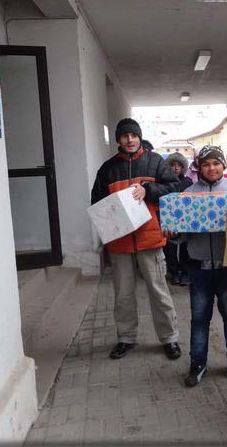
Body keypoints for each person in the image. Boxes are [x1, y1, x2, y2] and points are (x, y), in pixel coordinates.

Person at [90, 118, 182, 361]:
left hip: (150, 239)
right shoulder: (108, 168)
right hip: (119, 242)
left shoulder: (154, 162)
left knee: (159, 291)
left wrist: (148, 190)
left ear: (139, 137)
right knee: (123, 294)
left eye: (133, 135)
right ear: (118, 139)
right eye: (124, 136)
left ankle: (170, 338)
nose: (129, 140)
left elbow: (175, 187)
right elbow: (97, 201)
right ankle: (126, 338)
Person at [164, 145, 227, 388]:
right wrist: (173, 234)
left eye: (216, 163)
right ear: (198, 167)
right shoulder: (188, 195)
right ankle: (198, 363)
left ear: (223, 165)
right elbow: (181, 236)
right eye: (206, 164)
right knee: (199, 319)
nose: (211, 168)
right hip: (199, 268)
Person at [163, 152, 193, 286]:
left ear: (183, 167)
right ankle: (174, 272)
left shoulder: (188, 181)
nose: (176, 168)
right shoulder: (164, 181)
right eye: (173, 165)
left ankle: (185, 273)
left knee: (185, 247)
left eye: (179, 165)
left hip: (186, 218)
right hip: (170, 218)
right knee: (170, 247)